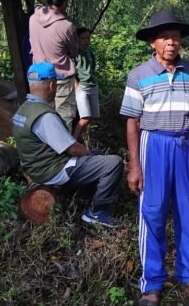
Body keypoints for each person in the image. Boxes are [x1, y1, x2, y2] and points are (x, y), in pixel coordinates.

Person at [120, 9, 189, 306]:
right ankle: (152, 282)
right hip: (154, 145)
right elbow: (132, 122)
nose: (171, 42)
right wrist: (135, 166)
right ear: (153, 43)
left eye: (175, 37)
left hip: (184, 144)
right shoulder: (139, 75)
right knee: (153, 212)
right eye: (164, 37)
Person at [12, 62, 123, 227]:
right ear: (52, 85)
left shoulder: (23, 110)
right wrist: (88, 155)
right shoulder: (44, 116)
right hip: (53, 170)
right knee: (112, 163)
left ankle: (88, 196)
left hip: (36, 168)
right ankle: (97, 213)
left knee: (97, 157)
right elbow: (72, 148)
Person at [29, 0, 78, 131]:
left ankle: (45, 145)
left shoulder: (33, 19)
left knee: (42, 116)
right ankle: (62, 145)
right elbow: (74, 51)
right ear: (65, 3)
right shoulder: (66, 26)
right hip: (60, 78)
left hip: (39, 77)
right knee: (63, 117)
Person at [73, 27, 99, 142]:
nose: (86, 41)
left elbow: (92, 69)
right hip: (82, 87)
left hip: (92, 85)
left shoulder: (90, 53)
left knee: (91, 117)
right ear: (77, 39)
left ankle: (80, 139)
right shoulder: (75, 54)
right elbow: (70, 71)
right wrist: (76, 86)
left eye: (88, 38)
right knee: (85, 117)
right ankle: (73, 141)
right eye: (83, 38)